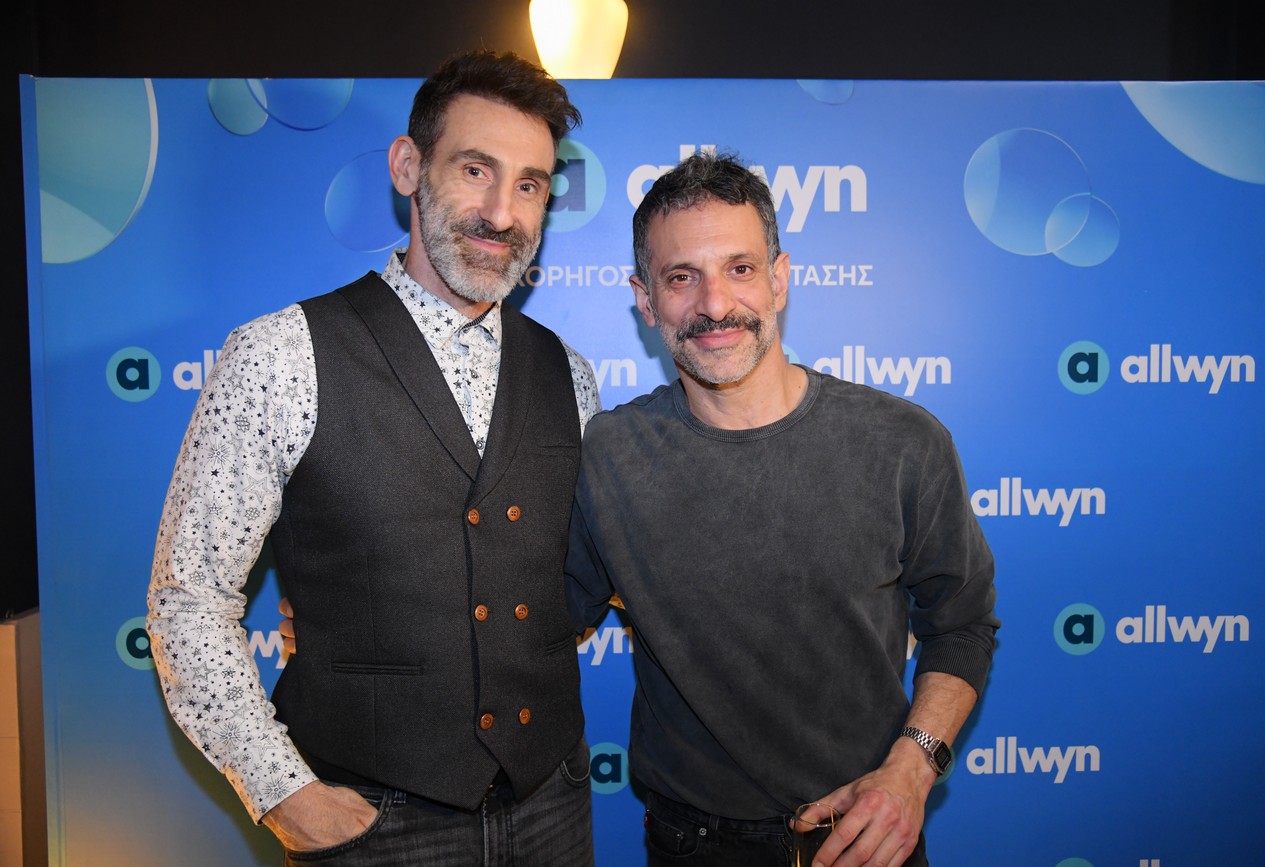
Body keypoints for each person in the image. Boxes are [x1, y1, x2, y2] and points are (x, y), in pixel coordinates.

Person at [146, 50, 602, 865]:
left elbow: (574, 579)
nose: (502, 212)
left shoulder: (569, 373)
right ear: (407, 167)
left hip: (553, 807)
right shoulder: (279, 355)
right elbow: (189, 596)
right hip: (372, 821)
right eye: (475, 170)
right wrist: (284, 792)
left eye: (530, 184)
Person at [563, 151, 1000, 867]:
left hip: (869, 836)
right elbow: (533, 620)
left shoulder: (903, 442)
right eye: (681, 277)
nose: (714, 305)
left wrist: (911, 771)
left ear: (780, 278)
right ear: (645, 299)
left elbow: (963, 626)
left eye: (739, 268)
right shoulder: (608, 454)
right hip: (692, 847)